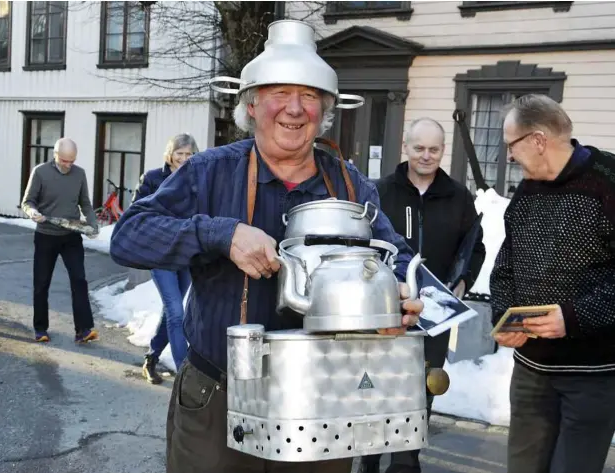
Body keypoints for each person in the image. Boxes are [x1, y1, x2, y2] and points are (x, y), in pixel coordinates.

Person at [110, 19, 424, 473]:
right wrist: (221, 234)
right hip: (219, 396)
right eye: (280, 93)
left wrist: (399, 294)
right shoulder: (210, 172)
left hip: (324, 402)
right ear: (251, 105)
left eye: (310, 96)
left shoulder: (350, 185)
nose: (294, 109)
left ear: (326, 109)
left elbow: (398, 255)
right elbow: (129, 236)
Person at [490, 94, 615, 473]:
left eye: (511, 145)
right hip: (530, 371)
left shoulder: (608, 182)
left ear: (538, 140)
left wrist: (574, 317)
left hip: (592, 376)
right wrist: (502, 317)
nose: (509, 156)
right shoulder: (526, 192)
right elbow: (505, 267)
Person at [362, 118, 486, 473]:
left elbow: (474, 248)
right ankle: (368, 462)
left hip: (435, 315)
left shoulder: (459, 196)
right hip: (383, 311)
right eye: (419, 148)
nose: (426, 156)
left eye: (434, 149)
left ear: (443, 151)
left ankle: (405, 464)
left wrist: (463, 281)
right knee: (374, 389)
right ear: (405, 146)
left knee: (421, 392)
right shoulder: (379, 191)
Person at [21, 138, 100, 344]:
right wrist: (32, 212)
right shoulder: (40, 172)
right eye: (64, 161)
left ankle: (83, 330)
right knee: (41, 283)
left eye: (72, 161)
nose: (68, 165)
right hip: (46, 235)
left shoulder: (79, 174)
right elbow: (27, 201)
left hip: (71, 235)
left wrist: (93, 225)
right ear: (55, 155)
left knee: (79, 280)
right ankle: (40, 329)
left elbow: (86, 203)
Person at [136, 133, 199, 384]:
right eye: (179, 153)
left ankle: (151, 358)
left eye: (189, 154)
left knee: (171, 312)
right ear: (170, 154)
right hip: (160, 253)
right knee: (176, 312)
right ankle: (185, 373)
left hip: (185, 254)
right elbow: (136, 211)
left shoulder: (197, 179)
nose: (183, 159)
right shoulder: (153, 178)